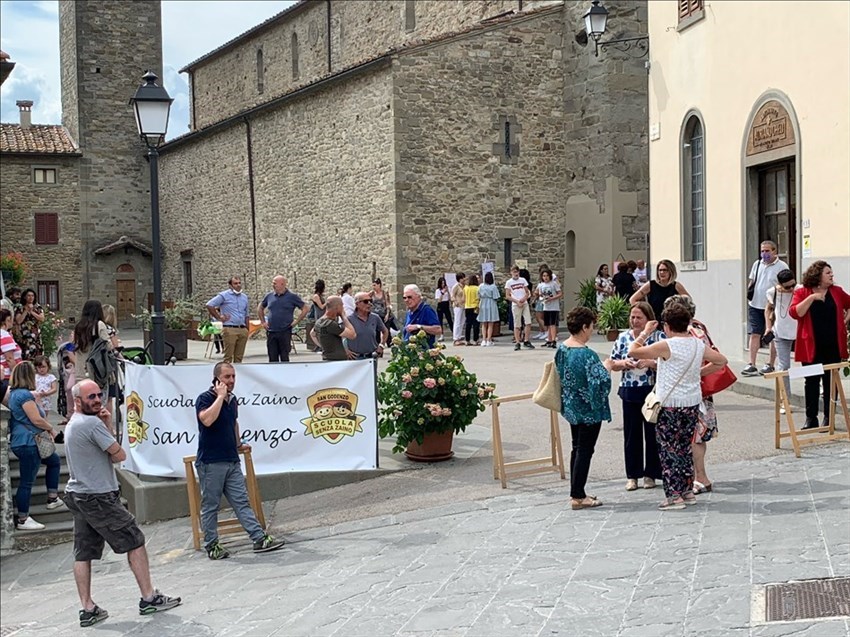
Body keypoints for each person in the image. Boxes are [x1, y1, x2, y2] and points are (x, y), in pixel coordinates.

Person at [64, 379, 181, 626]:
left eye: (98, 395)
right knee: (135, 540)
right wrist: (105, 425)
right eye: (91, 397)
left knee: (83, 552)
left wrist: (105, 424)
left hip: (79, 494)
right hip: (98, 496)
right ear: (78, 400)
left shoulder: (74, 423)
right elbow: (118, 454)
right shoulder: (90, 424)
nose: (97, 400)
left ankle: (87, 608)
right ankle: (149, 598)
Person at [628, 303, 727, 510]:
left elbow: (634, 351)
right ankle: (687, 491)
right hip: (691, 402)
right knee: (684, 448)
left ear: (667, 326)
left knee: (668, 450)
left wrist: (645, 333)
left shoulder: (667, 345)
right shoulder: (697, 344)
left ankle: (674, 496)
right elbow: (721, 361)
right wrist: (698, 373)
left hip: (670, 404)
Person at [195, 363, 285, 560]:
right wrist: (219, 397)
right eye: (227, 377)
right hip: (211, 462)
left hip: (231, 459)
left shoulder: (233, 400)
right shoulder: (205, 398)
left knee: (241, 501)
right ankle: (212, 545)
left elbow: (233, 422)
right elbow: (207, 420)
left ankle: (258, 538)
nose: (232, 381)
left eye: (234, 376)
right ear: (217, 379)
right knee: (211, 505)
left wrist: (238, 444)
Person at [663, 294, 722, 495]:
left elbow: (707, 358)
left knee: (695, 435)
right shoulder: (699, 327)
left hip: (694, 390)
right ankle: (697, 477)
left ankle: (700, 476)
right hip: (697, 389)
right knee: (696, 434)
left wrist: (697, 372)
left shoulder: (691, 332)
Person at [556, 307, 611, 510]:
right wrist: (608, 367)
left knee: (577, 447)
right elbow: (600, 383)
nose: (592, 330)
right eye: (591, 326)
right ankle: (578, 494)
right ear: (584, 327)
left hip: (571, 405)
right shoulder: (587, 354)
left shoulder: (562, 349)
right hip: (588, 408)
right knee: (585, 450)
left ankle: (576, 490)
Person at [605, 302, 662, 491]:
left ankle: (651, 474)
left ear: (648, 319)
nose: (635, 321)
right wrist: (624, 363)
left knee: (652, 434)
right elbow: (612, 363)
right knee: (631, 435)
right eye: (633, 317)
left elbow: (667, 363)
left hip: (651, 390)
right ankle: (633, 475)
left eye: (639, 317)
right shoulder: (622, 338)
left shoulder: (657, 337)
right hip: (629, 389)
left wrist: (650, 363)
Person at [790, 261, 850, 429]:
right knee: (811, 381)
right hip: (811, 345)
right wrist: (812, 298)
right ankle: (811, 418)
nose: (831, 275)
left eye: (831, 272)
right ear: (817, 275)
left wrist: (845, 320)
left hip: (832, 344)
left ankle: (829, 418)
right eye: (828, 273)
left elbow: (849, 303)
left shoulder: (836, 292)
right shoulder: (803, 292)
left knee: (831, 381)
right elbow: (795, 312)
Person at [8, 361, 63, 531]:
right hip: (29, 442)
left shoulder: (14, 394)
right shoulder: (24, 395)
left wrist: (37, 400)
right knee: (26, 481)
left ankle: (53, 497)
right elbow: (36, 419)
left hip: (24, 440)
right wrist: (52, 430)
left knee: (53, 461)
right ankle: (23, 518)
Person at [741, 240, 789, 376]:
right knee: (754, 333)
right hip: (755, 304)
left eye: (767, 251)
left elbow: (786, 284)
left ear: (774, 251)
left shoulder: (781, 266)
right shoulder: (757, 264)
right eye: (762, 251)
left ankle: (770, 363)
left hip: (772, 306)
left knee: (771, 335)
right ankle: (752, 363)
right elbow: (752, 280)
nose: (764, 254)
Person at [765, 269, 799, 414]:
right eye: (787, 287)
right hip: (781, 332)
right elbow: (768, 309)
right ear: (780, 285)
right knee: (784, 367)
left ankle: (820, 388)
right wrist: (768, 327)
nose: (791, 289)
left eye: (793, 285)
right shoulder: (773, 292)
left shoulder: (800, 289)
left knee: (811, 363)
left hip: (800, 331)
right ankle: (785, 401)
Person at [258, 275, 308, 363]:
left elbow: (305, 308)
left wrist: (296, 321)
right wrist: (263, 322)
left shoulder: (292, 297)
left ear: (282, 284)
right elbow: (260, 307)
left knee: (284, 357)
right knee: (272, 357)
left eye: (274, 283)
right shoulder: (269, 296)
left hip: (285, 331)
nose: (273, 285)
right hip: (271, 331)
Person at [629, 259, 690, 325]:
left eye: (665, 270)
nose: (661, 272)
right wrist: (643, 313)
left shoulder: (676, 286)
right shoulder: (650, 285)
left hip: (672, 323)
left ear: (671, 271)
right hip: (654, 323)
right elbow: (633, 299)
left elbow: (689, 302)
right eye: (660, 270)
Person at [206, 276, 250, 364]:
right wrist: (219, 317)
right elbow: (209, 305)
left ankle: (237, 374)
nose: (238, 285)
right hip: (230, 328)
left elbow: (246, 313)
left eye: (239, 283)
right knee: (228, 357)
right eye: (235, 283)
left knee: (239, 357)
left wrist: (247, 329)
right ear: (230, 285)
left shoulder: (244, 297)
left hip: (242, 328)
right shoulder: (224, 295)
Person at [73, 300, 112, 388]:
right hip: (95, 369)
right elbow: (108, 346)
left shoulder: (79, 325)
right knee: (97, 398)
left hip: (80, 369)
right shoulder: (99, 324)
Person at [311, 296, 356, 361]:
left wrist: (324, 347)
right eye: (342, 306)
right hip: (336, 361)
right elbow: (352, 335)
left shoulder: (319, 321)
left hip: (327, 358)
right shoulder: (330, 324)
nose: (343, 308)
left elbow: (312, 334)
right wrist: (343, 316)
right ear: (337, 307)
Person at [347, 292, 387, 359]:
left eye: (370, 301)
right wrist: (346, 350)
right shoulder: (349, 319)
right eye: (365, 301)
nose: (369, 304)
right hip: (355, 358)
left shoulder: (375, 318)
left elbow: (385, 331)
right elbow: (340, 337)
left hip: (371, 357)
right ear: (357, 304)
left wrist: (381, 345)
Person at [505, 266, 534, 351]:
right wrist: (516, 301)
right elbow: (507, 296)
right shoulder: (509, 282)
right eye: (514, 272)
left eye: (517, 272)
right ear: (511, 272)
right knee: (517, 324)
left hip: (524, 303)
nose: (516, 273)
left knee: (528, 322)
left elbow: (527, 292)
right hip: (516, 304)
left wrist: (524, 298)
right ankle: (517, 342)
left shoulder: (523, 280)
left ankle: (526, 340)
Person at [14, 288, 45, 361]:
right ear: (25, 297)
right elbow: (18, 321)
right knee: (26, 354)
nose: (31, 298)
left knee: (37, 353)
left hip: (35, 335)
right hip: (24, 335)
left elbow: (42, 318)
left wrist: (32, 312)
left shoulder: (37, 307)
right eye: (29, 296)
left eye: (32, 296)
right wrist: (26, 311)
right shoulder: (20, 307)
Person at [536, 268, 563, 349]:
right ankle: (549, 339)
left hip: (554, 307)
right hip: (546, 307)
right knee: (548, 324)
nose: (545, 277)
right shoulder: (541, 285)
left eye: (547, 276)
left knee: (553, 324)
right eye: (544, 276)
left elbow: (560, 293)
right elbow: (540, 294)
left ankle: (554, 340)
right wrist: (542, 297)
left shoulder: (554, 284)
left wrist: (552, 298)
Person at [1, 308, 23, 403]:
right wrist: (18, 377)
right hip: (7, 377)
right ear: (8, 319)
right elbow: (9, 359)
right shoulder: (4, 335)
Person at [477, 272, 500, 347]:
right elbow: (496, 297)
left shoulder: (481, 286)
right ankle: (488, 339)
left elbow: (478, 295)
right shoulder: (493, 287)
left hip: (483, 303)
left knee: (484, 323)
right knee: (490, 323)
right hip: (491, 303)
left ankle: (483, 340)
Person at [306, 279, 327, 352]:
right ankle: (320, 346)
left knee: (320, 333)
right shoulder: (316, 296)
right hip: (319, 316)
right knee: (313, 333)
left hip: (322, 316)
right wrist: (327, 302)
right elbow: (321, 306)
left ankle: (321, 346)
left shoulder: (320, 296)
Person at [434, 277, 453, 341]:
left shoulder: (447, 289)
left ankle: (454, 333)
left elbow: (450, 298)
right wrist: (442, 293)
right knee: (440, 320)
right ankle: (441, 335)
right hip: (441, 305)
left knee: (449, 319)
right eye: (442, 283)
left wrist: (448, 291)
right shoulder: (438, 290)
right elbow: (439, 300)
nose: (443, 284)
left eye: (444, 283)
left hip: (446, 304)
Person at [450, 273, 467, 346]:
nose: (464, 279)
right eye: (463, 278)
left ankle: (459, 336)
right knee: (457, 321)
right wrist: (455, 301)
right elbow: (452, 296)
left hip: (464, 305)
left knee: (462, 321)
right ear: (459, 279)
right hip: (458, 305)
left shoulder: (465, 286)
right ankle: (455, 338)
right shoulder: (456, 286)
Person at [464, 274, 480, 346]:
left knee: (468, 324)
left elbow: (464, 298)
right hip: (475, 307)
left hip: (467, 306)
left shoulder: (466, 288)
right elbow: (479, 298)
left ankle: (467, 340)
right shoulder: (477, 288)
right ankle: (475, 340)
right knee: (476, 324)